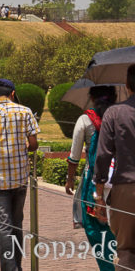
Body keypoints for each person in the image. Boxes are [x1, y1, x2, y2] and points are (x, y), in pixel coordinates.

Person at [0, 78, 40, 271]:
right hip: (20, 178)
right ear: (13, 93)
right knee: (17, 224)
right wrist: (24, 146)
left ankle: (10, 269)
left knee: (4, 227)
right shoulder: (25, 111)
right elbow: (34, 144)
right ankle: (16, 265)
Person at [65, 85, 117, 271]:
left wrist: (70, 179)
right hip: (122, 180)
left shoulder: (86, 120)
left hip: (95, 183)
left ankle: (107, 267)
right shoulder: (123, 116)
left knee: (94, 227)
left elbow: (74, 156)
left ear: (92, 98)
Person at [94, 63, 135, 269]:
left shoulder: (114, 113)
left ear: (127, 85)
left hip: (125, 189)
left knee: (126, 250)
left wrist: (99, 195)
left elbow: (102, 156)